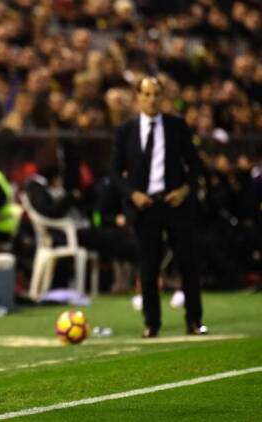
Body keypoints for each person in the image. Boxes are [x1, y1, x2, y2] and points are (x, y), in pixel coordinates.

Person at [110, 76, 207, 338]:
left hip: (175, 203)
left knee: (188, 263)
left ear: (163, 98)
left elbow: (195, 164)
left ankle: (194, 320)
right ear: (138, 97)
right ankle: (151, 323)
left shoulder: (177, 127)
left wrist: (185, 190)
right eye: (147, 94)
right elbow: (115, 172)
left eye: (156, 95)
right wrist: (133, 195)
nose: (152, 100)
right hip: (145, 206)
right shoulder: (125, 131)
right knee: (148, 267)